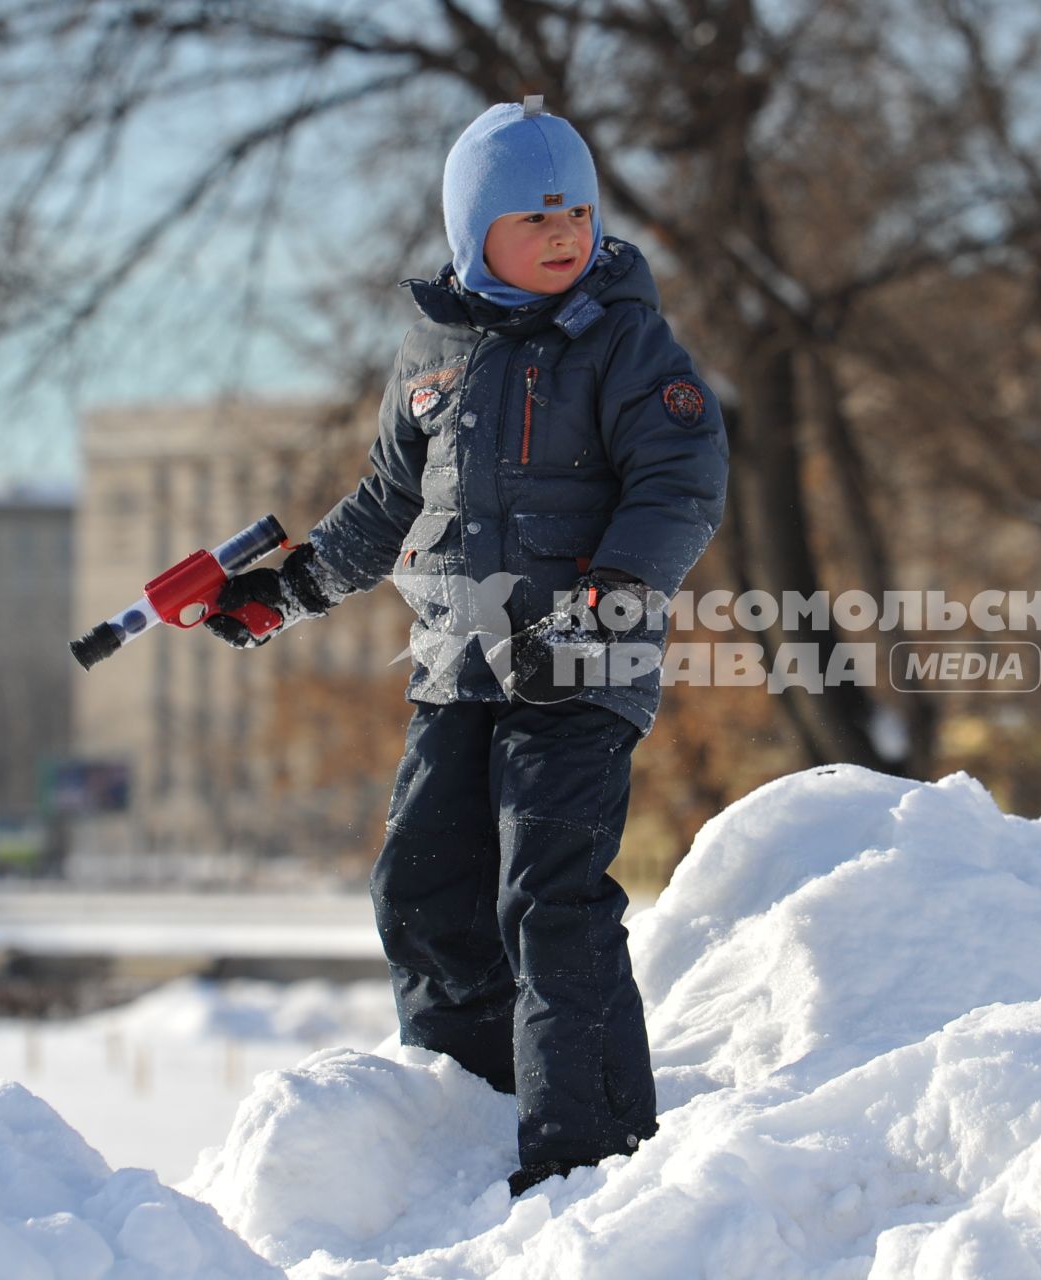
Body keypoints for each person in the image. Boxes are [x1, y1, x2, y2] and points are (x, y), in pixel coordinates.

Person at [203, 96, 728, 1197]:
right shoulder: (431, 352)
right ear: (471, 230)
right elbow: (387, 502)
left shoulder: (628, 341)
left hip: (582, 665)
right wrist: (289, 589)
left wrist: (603, 603)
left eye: (577, 210)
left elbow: (680, 483)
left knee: (549, 891)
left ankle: (592, 1151)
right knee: (425, 887)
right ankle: (469, 1103)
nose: (562, 232)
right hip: (459, 664)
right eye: (533, 216)